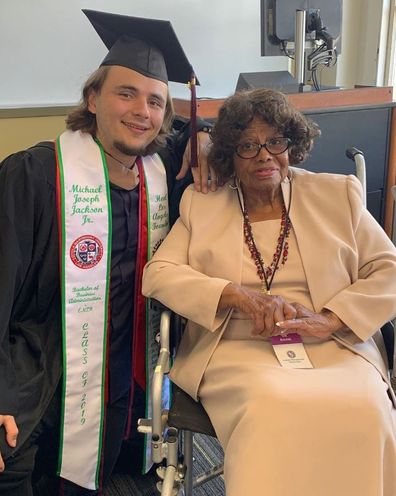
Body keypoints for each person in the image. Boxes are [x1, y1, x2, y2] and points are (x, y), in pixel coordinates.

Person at [0, 9, 213, 496]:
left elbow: (213, 142)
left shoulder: (164, 177)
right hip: (47, 365)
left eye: (155, 100)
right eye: (126, 93)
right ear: (92, 98)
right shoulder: (34, 176)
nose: (142, 110)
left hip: (137, 376)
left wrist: (207, 134)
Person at [142, 88, 396, 496]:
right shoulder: (202, 204)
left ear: (291, 145)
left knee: (366, 407)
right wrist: (236, 295)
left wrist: (331, 318)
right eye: (247, 146)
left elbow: (389, 268)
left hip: (334, 342)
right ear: (228, 155)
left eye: (275, 141)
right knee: (272, 404)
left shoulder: (337, 194)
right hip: (238, 347)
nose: (264, 155)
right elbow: (158, 274)